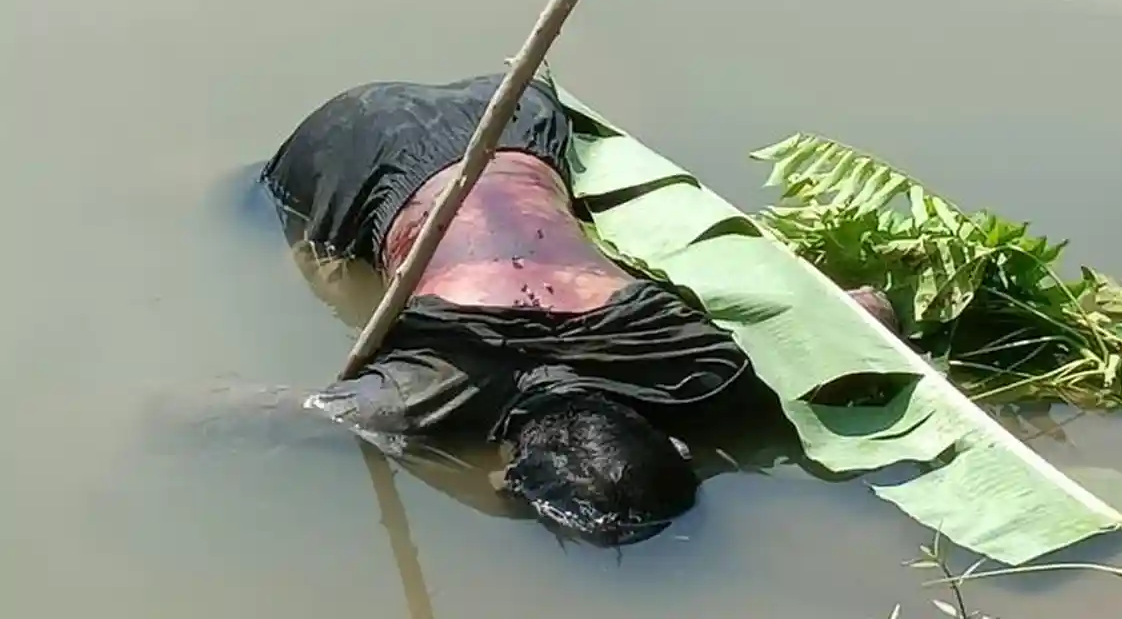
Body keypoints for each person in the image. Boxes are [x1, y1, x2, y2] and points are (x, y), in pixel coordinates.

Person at [261, 73, 897, 546]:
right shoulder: (419, 397)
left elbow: (866, 313)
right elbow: (229, 411)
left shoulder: (709, 373)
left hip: (514, 114)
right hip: (359, 151)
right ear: (505, 474)